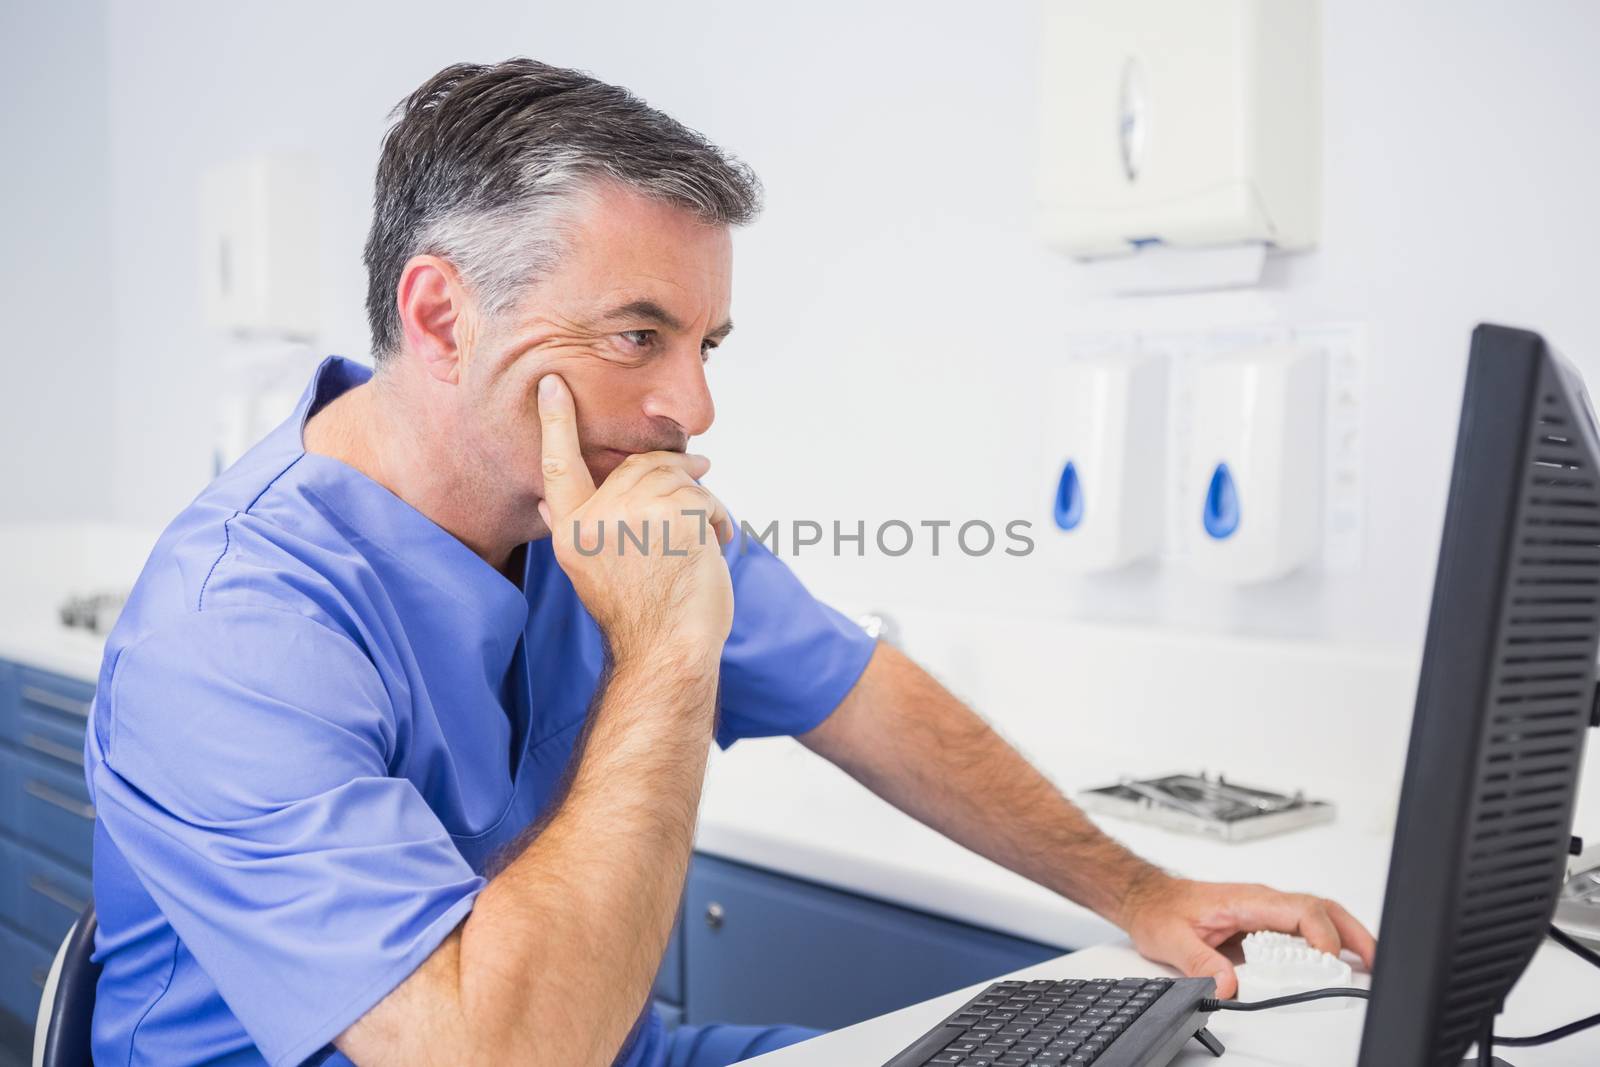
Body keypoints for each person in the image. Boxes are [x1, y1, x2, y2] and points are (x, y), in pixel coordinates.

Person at [84, 58, 1375, 1067]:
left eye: (708, 343)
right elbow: (495, 1055)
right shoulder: (236, 632)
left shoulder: (589, 502)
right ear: (439, 314)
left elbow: (862, 694)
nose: (693, 409)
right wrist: (663, 648)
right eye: (637, 335)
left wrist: (1145, 891)